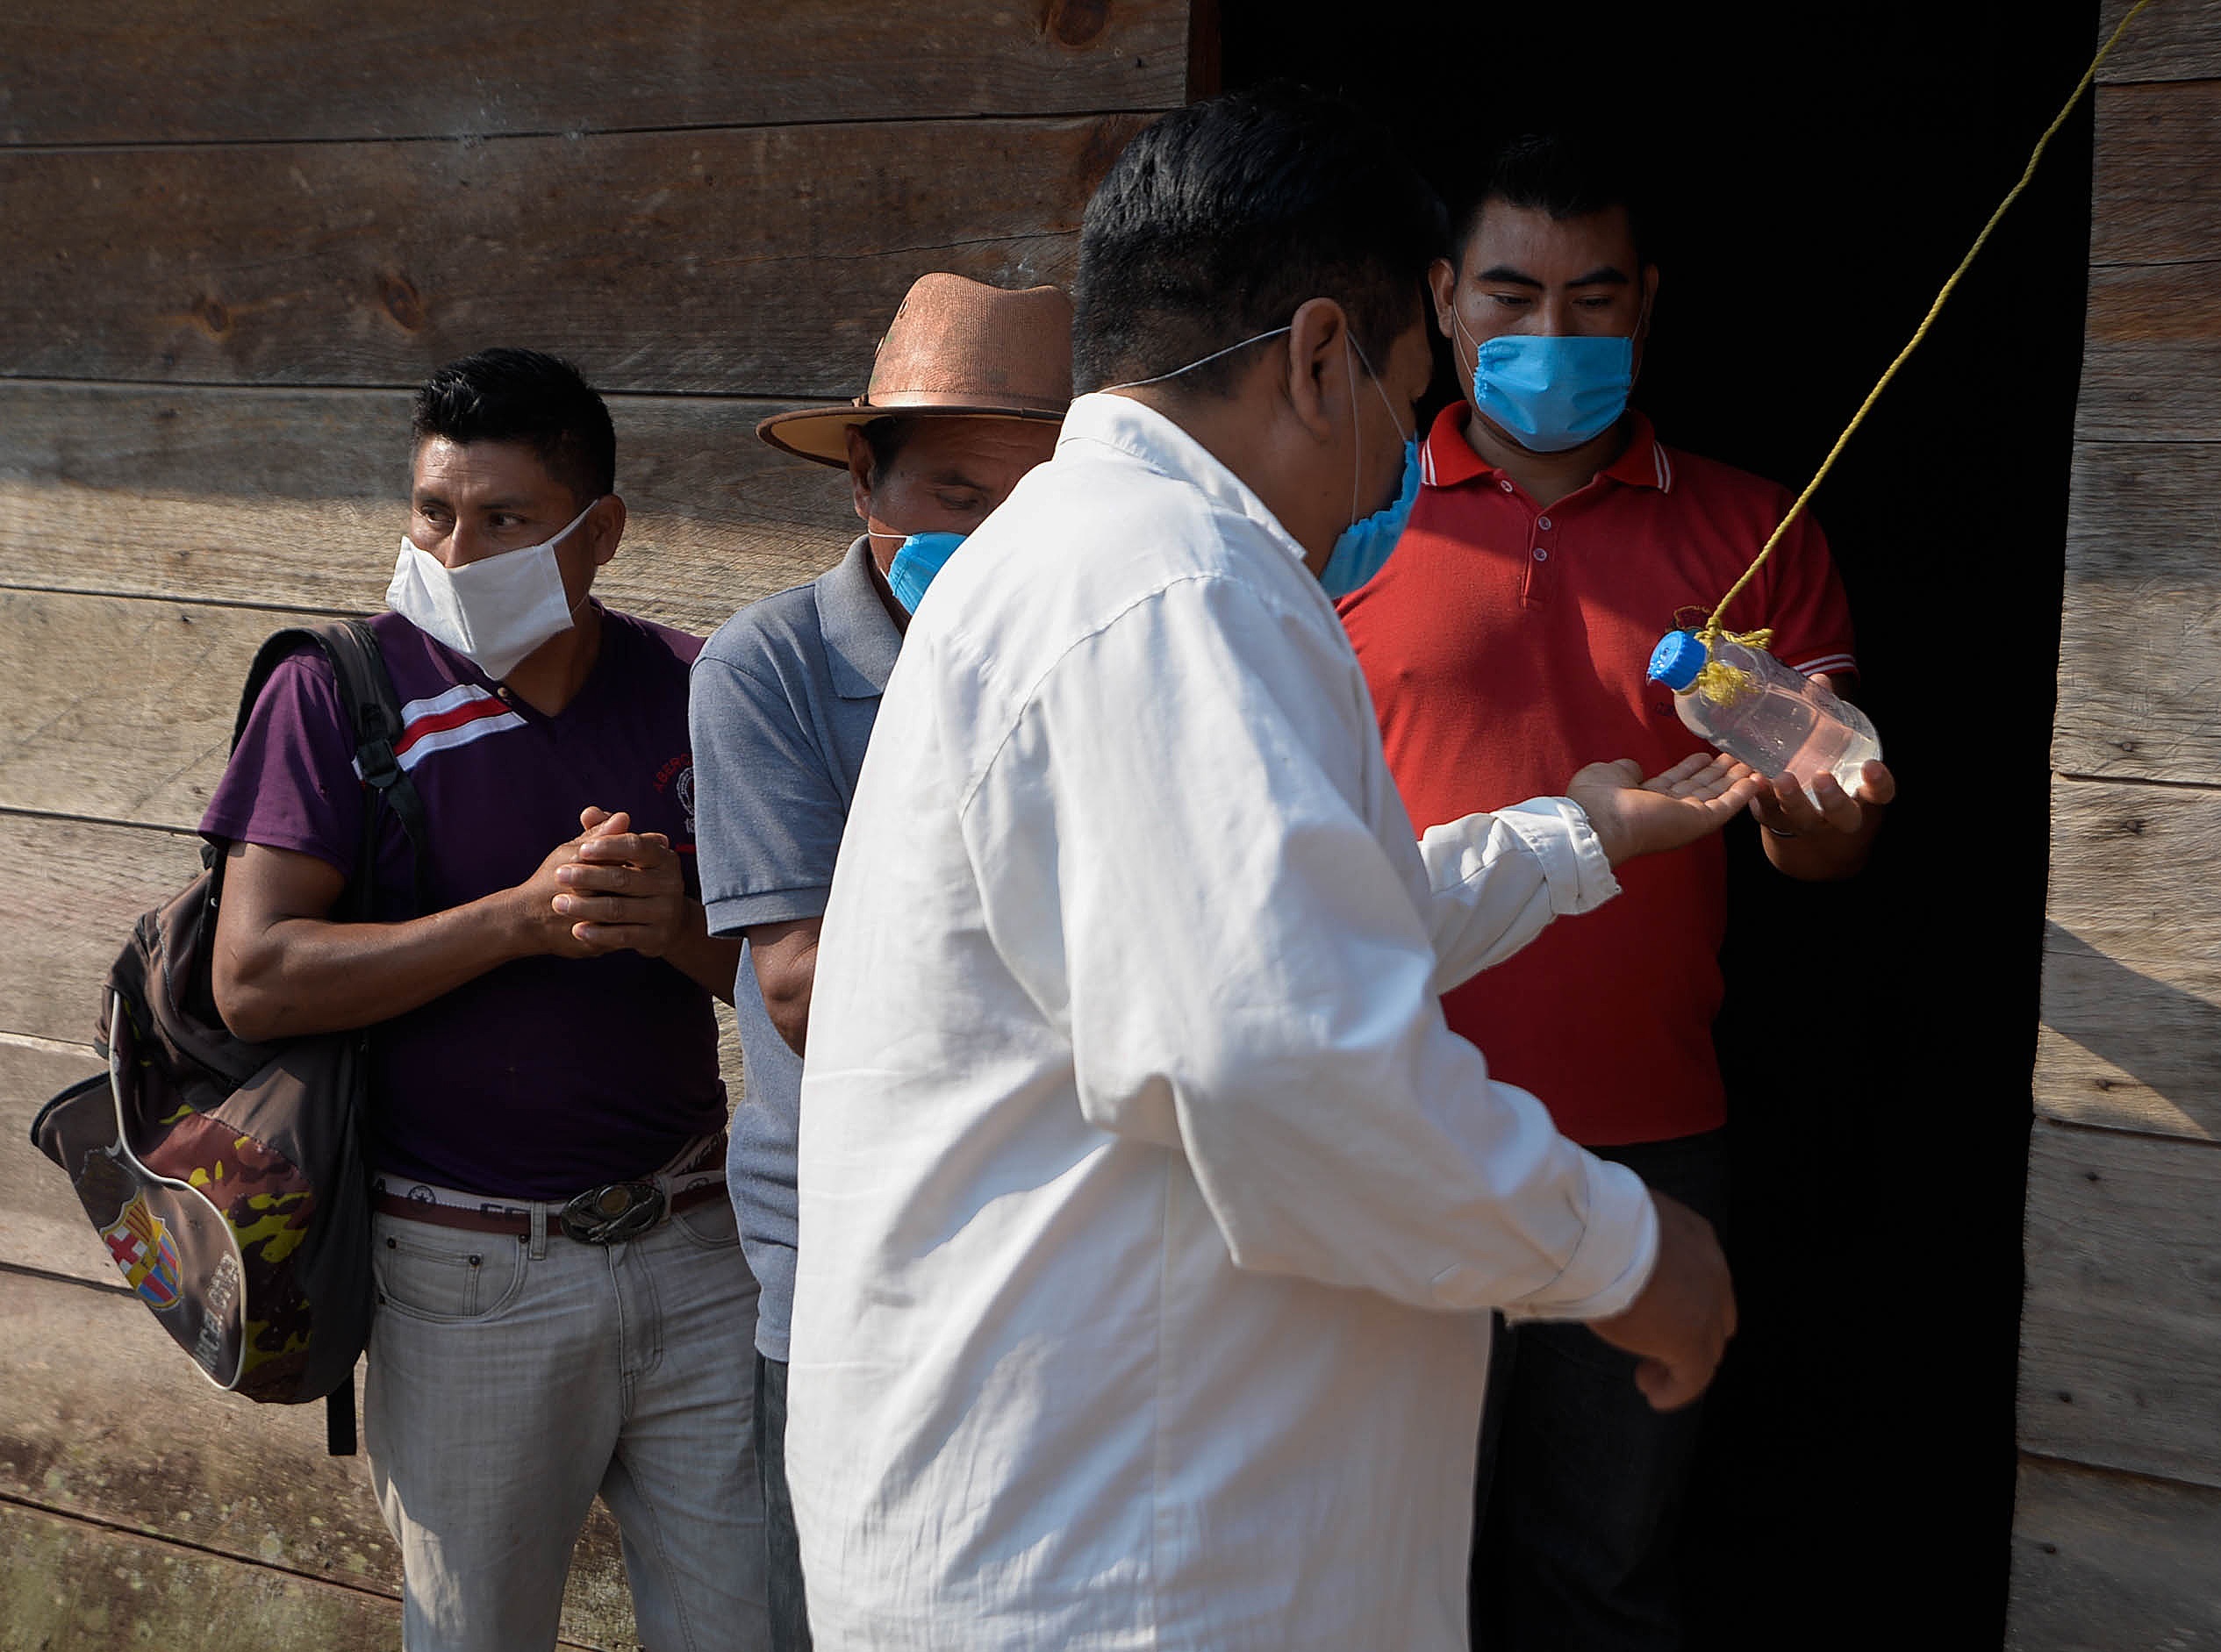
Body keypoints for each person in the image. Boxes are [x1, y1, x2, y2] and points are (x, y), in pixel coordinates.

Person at [784, 89, 1757, 1650]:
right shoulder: (1171, 584)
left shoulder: (1096, 562)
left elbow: (1274, 938)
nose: (1396, 466)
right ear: (1320, 357)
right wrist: (1628, 1253)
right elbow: (1276, 1049)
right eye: (1405, 387)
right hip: (1134, 1565)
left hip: (1121, 1533)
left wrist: (1578, 839)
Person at [1335, 132, 1901, 1650]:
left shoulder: (1751, 530)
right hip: (1392, 1111)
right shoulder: (1342, 514)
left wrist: (1822, 805)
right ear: (1440, 298)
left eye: (1595, 298)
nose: (1554, 337)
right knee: (1378, 1569)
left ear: (1646, 302)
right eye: (1513, 294)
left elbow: (1821, 844)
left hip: (1645, 1135)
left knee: (1602, 1567)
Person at [202, 347, 766, 1652]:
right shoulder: (339, 692)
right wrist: (515, 921)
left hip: (694, 1248)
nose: (456, 551)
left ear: (599, 531)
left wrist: (671, 927)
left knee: (750, 1626)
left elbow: (791, 979)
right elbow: (257, 976)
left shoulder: (695, 689)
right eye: (432, 512)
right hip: (462, 1273)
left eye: (505, 519)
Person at [688, 273, 1073, 1652]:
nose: (993, 543)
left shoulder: (1094, 653)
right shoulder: (767, 669)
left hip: (1052, 1253)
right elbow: (801, 994)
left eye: (1034, 510)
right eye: (956, 500)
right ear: (864, 480)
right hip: (850, 1267)